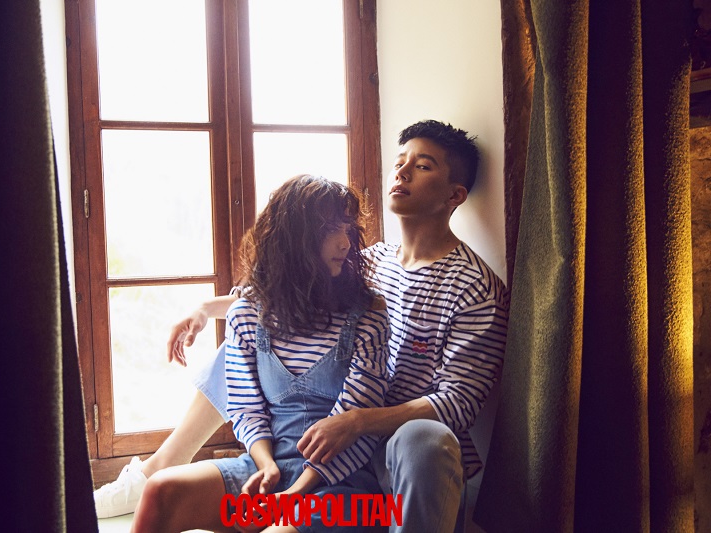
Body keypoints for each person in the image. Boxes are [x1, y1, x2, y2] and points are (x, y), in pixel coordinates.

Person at [95, 120, 509, 533]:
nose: (401, 172)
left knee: (422, 438)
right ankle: (162, 466)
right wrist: (207, 308)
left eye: (422, 166)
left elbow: (459, 403)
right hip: (315, 438)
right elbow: (286, 298)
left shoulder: (475, 287)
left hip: (388, 449)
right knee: (245, 339)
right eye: (400, 161)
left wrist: (358, 421)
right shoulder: (374, 260)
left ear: (454, 194)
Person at [129, 175, 391, 532]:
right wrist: (266, 466)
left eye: (347, 229)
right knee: (161, 491)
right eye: (331, 230)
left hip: (343, 487)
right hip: (269, 467)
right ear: (294, 238)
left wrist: (293, 495)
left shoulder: (369, 316)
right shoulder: (247, 314)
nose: (345, 242)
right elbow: (246, 408)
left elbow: (357, 429)